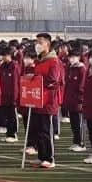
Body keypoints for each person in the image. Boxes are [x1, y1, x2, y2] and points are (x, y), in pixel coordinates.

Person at [30, 33, 63, 168]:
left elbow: (53, 80)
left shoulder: (54, 61)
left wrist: (37, 80)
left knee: (46, 130)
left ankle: (50, 158)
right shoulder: (39, 61)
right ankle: (41, 156)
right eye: (36, 42)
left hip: (48, 100)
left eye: (40, 42)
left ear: (48, 44)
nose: (37, 45)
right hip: (38, 99)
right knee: (38, 130)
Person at [62, 48, 87, 154]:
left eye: (74, 57)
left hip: (78, 101)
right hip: (70, 99)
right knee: (73, 122)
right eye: (70, 57)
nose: (71, 59)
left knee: (79, 122)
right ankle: (76, 141)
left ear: (79, 57)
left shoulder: (82, 69)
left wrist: (81, 100)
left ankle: (81, 143)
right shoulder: (70, 68)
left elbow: (82, 86)